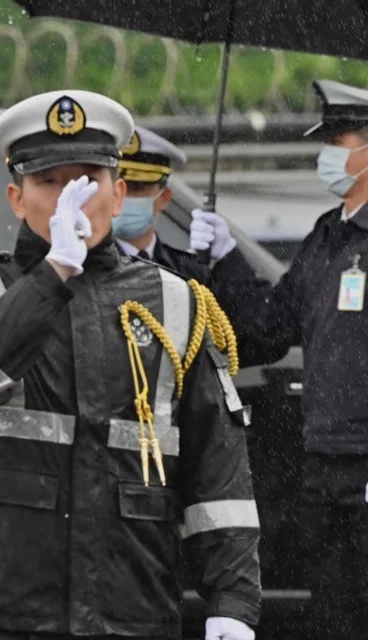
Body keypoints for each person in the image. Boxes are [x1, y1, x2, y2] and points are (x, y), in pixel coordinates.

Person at [0, 90, 261, 640]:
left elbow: (217, 464)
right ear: (15, 197)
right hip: (5, 607)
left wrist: (233, 600)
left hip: (129, 603)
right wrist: (53, 273)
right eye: (49, 182)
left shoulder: (176, 302)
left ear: (119, 195)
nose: (67, 200)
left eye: (86, 182)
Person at [199, 79, 368, 640]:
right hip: (325, 458)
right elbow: (271, 329)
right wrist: (225, 261)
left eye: (340, 140)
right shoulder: (327, 235)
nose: (330, 155)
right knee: (332, 610)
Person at [114, 126, 269, 365]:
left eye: (137, 189)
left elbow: (256, 337)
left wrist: (228, 259)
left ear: (164, 198)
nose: (124, 199)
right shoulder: (84, 268)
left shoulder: (188, 273)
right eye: (118, 188)